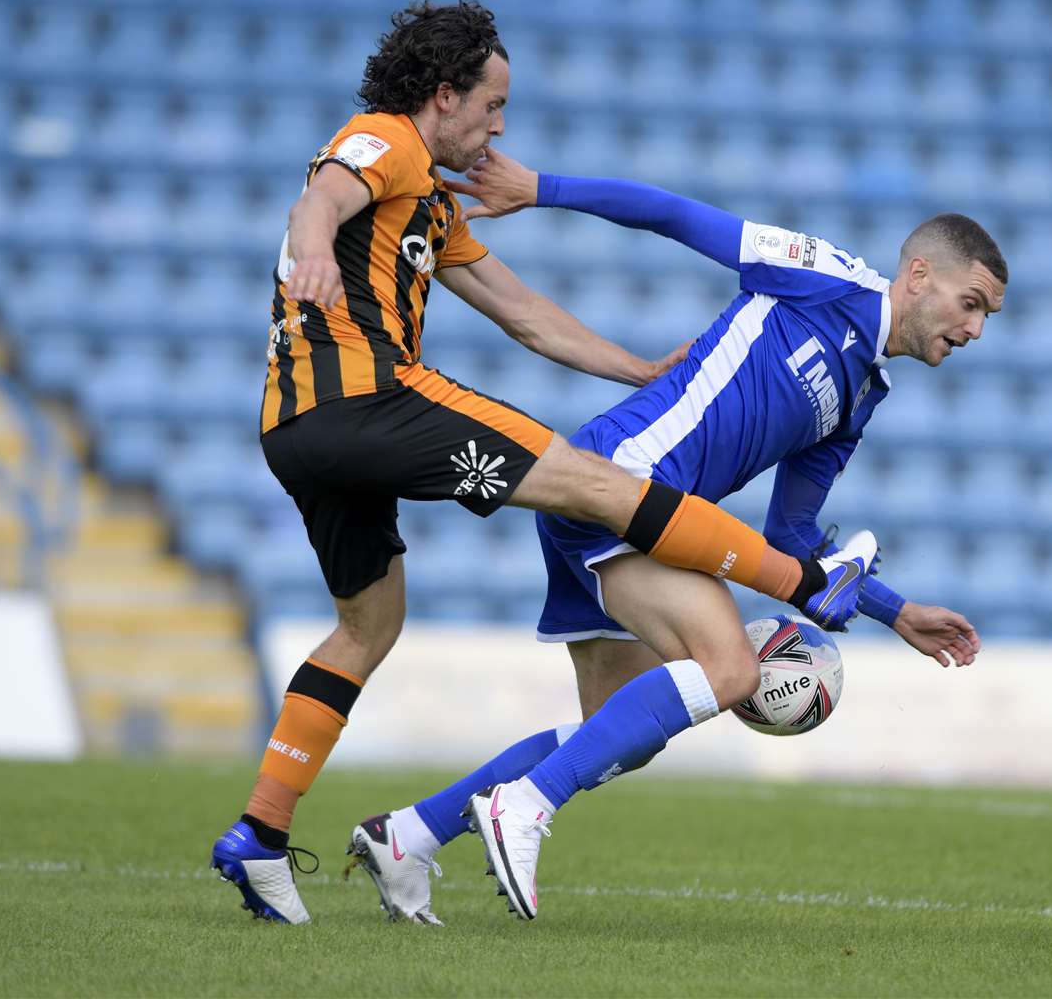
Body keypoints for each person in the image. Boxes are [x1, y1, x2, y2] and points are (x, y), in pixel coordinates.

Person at [210, 1, 878, 925]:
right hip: (367, 396)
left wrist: (638, 367)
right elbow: (320, 196)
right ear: (443, 97)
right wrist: (315, 248)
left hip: (298, 430)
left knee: (369, 626)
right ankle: (804, 585)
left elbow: (524, 315)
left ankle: (262, 833)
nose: (498, 127)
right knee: (602, 484)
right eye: (491, 106)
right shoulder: (387, 141)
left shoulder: (430, 204)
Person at [344, 148, 1003, 924]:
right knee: (729, 670)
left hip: (630, 507)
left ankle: (410, 834)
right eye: (972, 302)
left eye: (987, 315)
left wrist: (898, 613)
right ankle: (523, 806)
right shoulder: (827, 277)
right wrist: (541, 190)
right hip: (621, 480)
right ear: (920, 276)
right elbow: (676, 215)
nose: (975, 329)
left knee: (614, 729)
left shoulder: (861, 396)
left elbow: (790, 535)